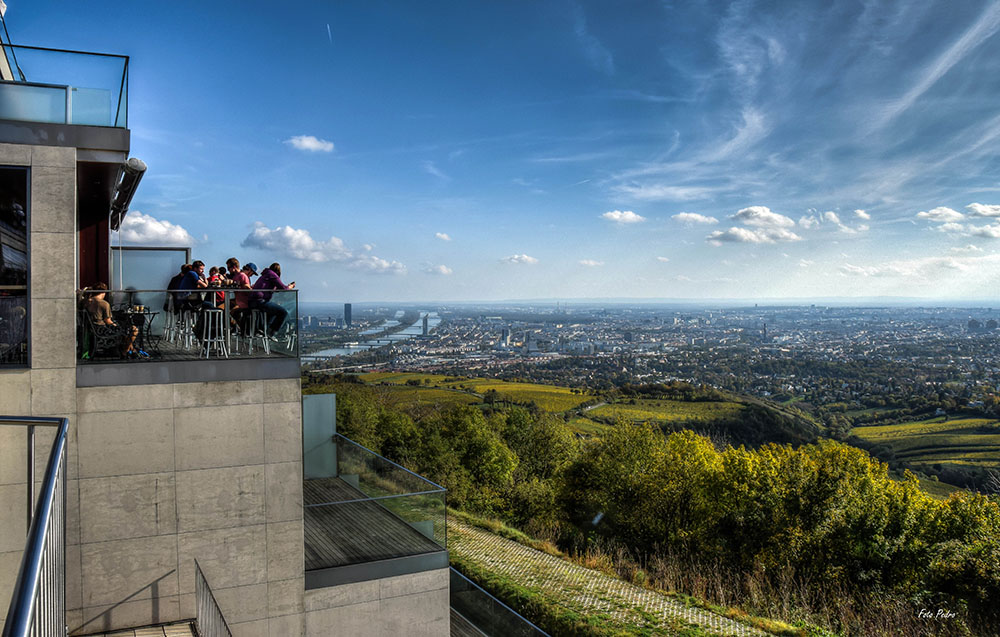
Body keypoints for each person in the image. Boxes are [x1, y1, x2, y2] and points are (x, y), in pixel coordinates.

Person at [85, 283, 139, 357]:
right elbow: (108, 321)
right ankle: (125, 351)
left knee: (125, 333)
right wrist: (116, 325)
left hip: (92, 329)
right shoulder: (104, 304)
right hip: (102, 330)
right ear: (104, 292)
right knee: (133, 329)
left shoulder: (86, 302)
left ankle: (129, 350)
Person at [250, 262, 294, 337]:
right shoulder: (272, 275)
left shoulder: (266, 275)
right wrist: (290, 286)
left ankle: (263, 330)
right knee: (283, 312)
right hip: (260, 301)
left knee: (273, 311)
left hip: (253, 301)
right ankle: (271, 333)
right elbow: (283, 288)